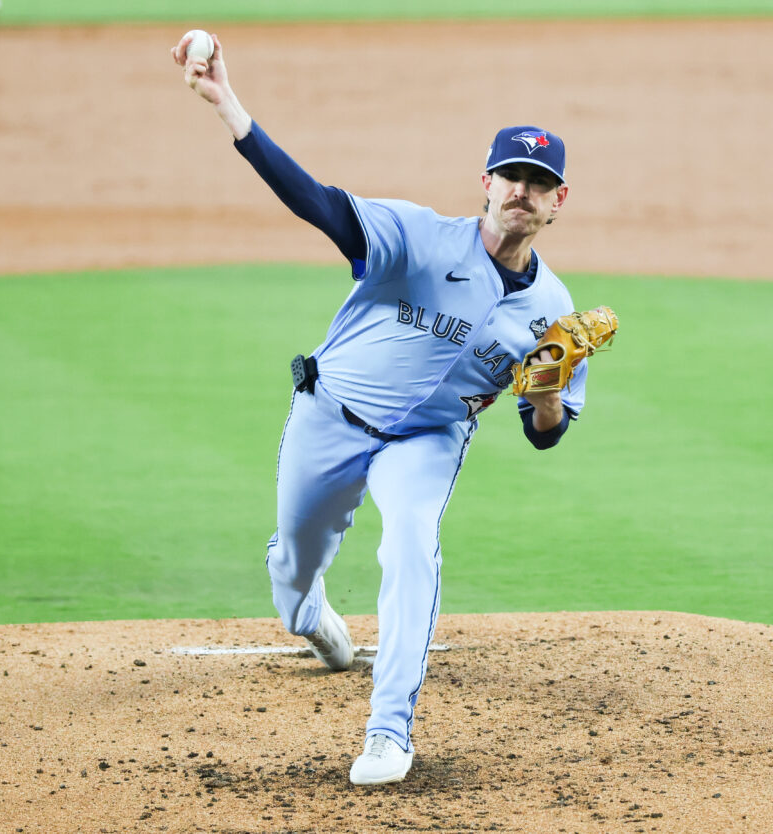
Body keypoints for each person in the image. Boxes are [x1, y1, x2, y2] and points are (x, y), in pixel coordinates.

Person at [173, 32, 593, 786]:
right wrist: (229, 106)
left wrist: (549, 394)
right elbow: (319, 205)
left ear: (558, 200)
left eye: (538, 181)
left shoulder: (554, 312)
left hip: (427, 442)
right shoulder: (420, 239)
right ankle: (309, 617)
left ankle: (389, 730)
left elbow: (545, 437)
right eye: (511, 175)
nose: (520, 191)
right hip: (329, 416)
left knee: (411, 544)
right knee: (295, 563)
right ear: (487, 181)